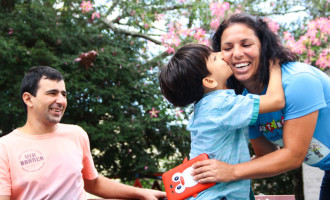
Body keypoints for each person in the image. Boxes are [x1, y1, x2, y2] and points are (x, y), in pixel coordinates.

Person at [191, 13, 330, 199]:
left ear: (263, 47)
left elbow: (293, 156)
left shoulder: (298, 81)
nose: (237, 53)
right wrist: (215, 172)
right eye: (227, 48)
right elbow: (266, 155)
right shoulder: (244, 103)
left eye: (246, 44)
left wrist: (231, 171)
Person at [0, 66, 166, 200]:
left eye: (63, 94)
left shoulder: (76, 134)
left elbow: (93, 183)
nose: (60, 100)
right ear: (28, 99)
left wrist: (142, 193)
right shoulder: (5, 147)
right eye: (52, 93)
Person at [159, 43, 285, 199]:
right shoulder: (221, 105)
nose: (221, 54)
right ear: (209, 81)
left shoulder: (203, 108)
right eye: (214, 57)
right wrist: (274, 64)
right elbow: (276, 100)